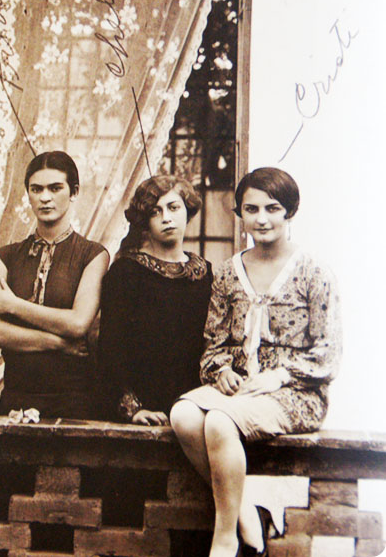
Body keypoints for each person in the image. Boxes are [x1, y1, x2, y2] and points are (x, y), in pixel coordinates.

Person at [170, 167, 341, 557]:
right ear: (240, 214)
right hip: (241, 391)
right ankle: (248, 514)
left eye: (272, 208)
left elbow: (328, 353)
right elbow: (214, 344)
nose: (261, 219)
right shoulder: (229, 272)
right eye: (251, 209)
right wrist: (222, 371)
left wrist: (280, 376)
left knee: (218, 420)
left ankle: (225, 538)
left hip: (296, 394)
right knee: (183, 414)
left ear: (290, 212)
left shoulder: (314, 272)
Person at [0, 151, 109, 419]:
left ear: (74, 192)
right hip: (16, 398)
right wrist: (57, 343)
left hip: (74, 403)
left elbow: (77, 323)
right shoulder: (6, 256)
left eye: (55, 188)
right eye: (36, 189)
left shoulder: (93, 255)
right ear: (28, 194)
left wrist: (12, 305)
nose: (45, 197)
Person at [98, 175, 212, 424]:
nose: (166, 218)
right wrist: (134, 409)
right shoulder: (126, 272)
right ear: (144, 220)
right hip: (145, 406)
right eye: (155, 212)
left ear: (187, 211)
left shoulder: (205, 273)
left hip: (196, 404)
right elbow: (110, 347)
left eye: (173, 208)